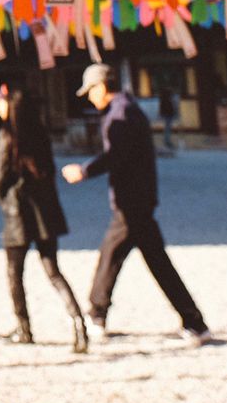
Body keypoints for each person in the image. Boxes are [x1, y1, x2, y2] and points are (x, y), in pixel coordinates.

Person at [62, 63, 210, 343]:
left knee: (111, 255)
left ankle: (97, 313)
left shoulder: (123, 113)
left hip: (132, 202)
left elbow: (115, 156)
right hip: (138, 199)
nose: (90, 98)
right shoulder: (125, 109)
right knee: (149, 260)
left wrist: (84, 171)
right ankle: (194, 321)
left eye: (91, 91)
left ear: (103, 86)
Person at [0, 87, 88, 352]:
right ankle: (79, 325)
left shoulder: (7, 136)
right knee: (53, 271)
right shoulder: (41, 134)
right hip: (45, 211)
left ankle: (24, 328)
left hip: (18, 213)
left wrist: (6, 202)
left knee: (15, 273)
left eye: (1, 102)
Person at [157, 86, 179, 152]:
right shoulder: (169, 99)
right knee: (168, 128)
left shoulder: (163, 99)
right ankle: (167, 141)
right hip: (169, 114)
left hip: (167, 114)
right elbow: (172, 107)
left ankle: (167, 140)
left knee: (167, 127)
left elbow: (161, 108)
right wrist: (175, 113)